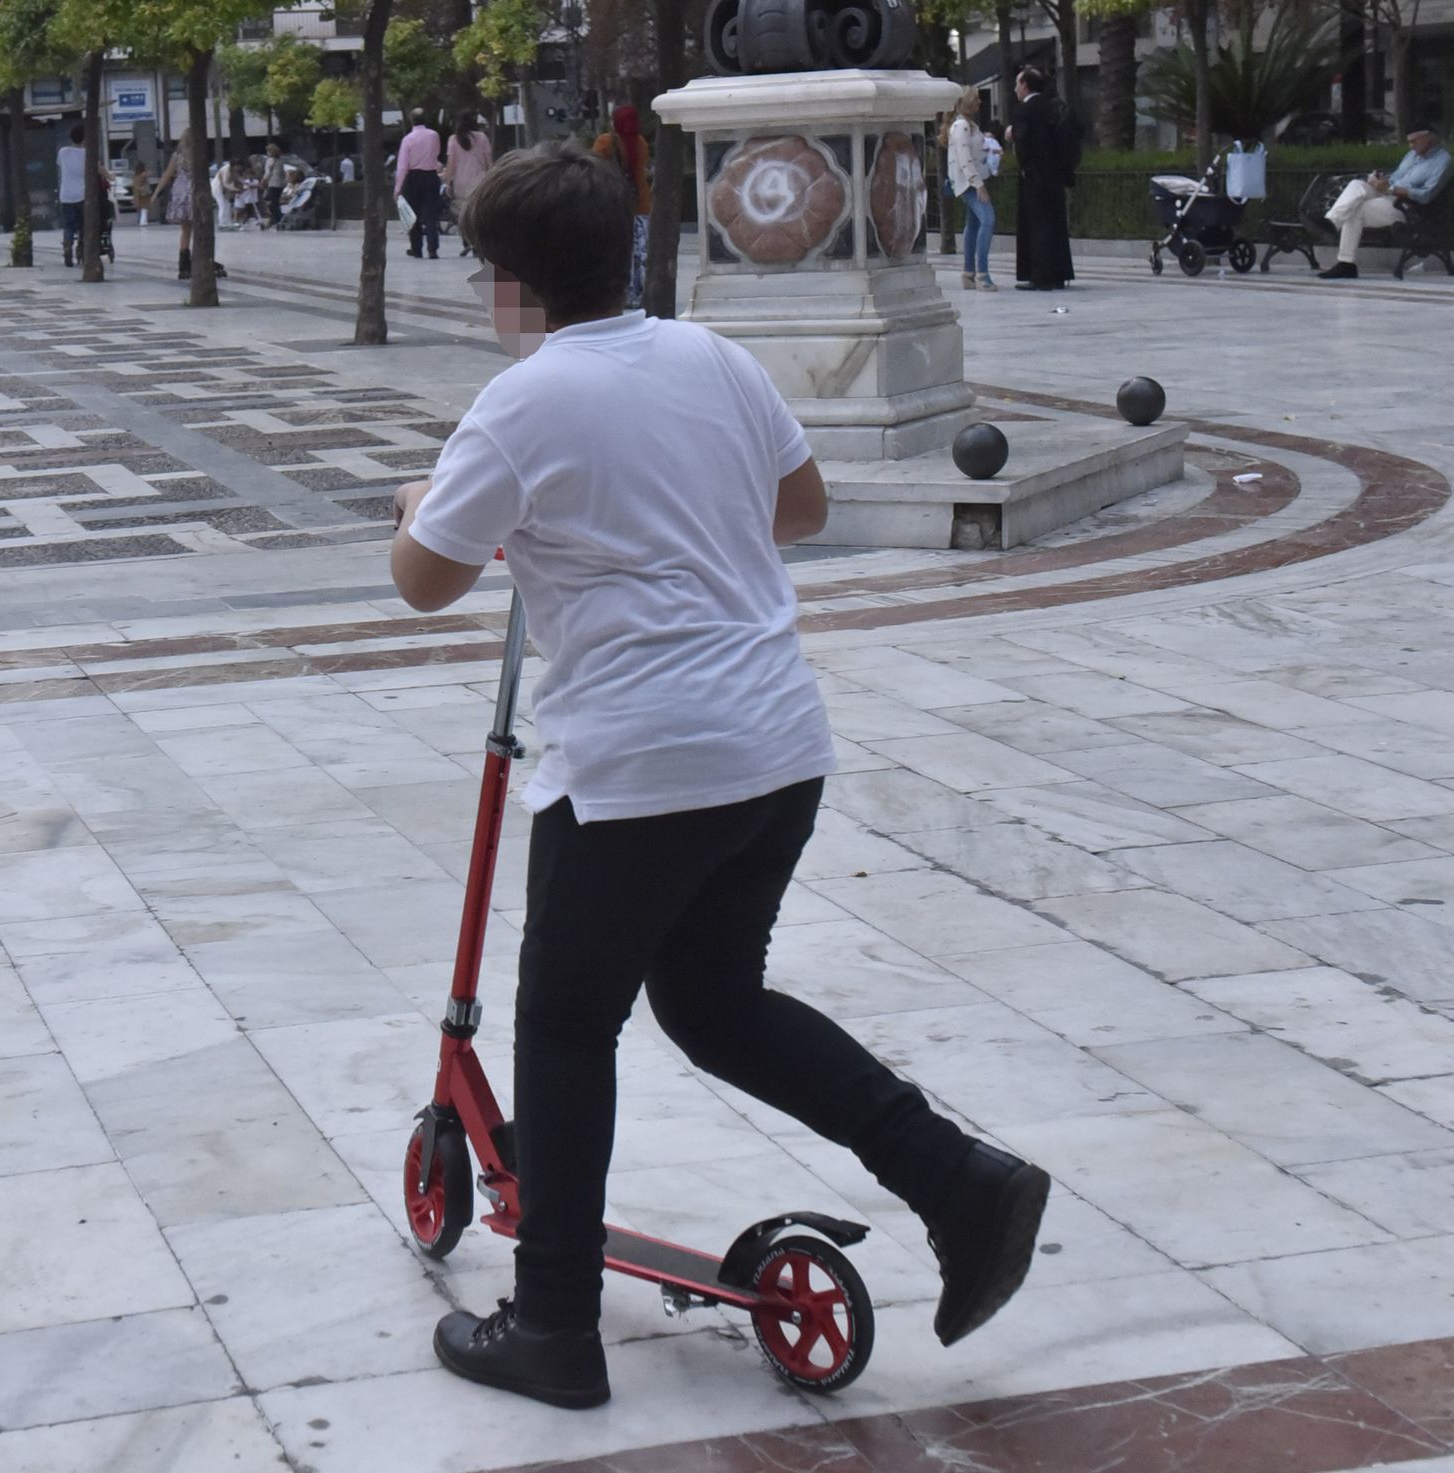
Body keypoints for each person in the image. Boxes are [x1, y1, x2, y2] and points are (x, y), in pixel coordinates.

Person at [390, 140, 1051, 1412]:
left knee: (570, 1028)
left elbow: (424, 580)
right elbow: (795, 512)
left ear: (509, 284)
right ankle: (957, 1179)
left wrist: (424, 501)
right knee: (710, 1002)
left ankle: (554, 1329)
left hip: (640, 768)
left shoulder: (521, 402)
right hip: (772, 748)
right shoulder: (712, 357)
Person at [1319, 126, 1452, 280]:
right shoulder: (1411, 155)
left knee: (1355, 208)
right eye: (1409, 142)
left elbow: (1426, 195)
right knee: (1357, 185)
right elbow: (1396, 177)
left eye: (1414, 142)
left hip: (1408, 207)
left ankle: (1345, 262)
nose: (1411, 146)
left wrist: (1391, 189)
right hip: (1388, 195)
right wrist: (1380, 180)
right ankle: (1332, 222)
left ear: (1428, 138)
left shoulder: (1443, 162)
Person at [1008, 67, 1074, 291]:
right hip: (1055, 177)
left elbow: (1024, 143)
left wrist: (1017, 145)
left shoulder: (1024, 111)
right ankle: (1059, 273)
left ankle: (1040, 275)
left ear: (1025, 85)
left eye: (1018, 84)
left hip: (1034, 177)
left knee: (1037, 226)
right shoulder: (1054, 107)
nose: (1015, 88)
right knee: (1056, 224)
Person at [593, 105, 651, 308]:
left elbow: (594, 167)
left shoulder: (605, 141)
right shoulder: (641, 143)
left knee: (618, 251)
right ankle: (638, 294)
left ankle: (622, 294)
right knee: (640, 253)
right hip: (641, 205)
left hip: (614, 203)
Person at [948, 90, 997, 291]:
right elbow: (964, 158)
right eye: (975, 99)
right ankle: (982, 274)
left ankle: (969, 273)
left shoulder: (970, 126)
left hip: (972, 180)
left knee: (974, 223)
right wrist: (978, 184)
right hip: (969, 183)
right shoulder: (962, 126)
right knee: (988, 219)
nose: (979, 102)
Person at [441, 112, 493, 258]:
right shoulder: (482, 138)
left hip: (461, 183)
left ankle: (467, 241)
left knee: (462, 214)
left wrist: (447, 182)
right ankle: (477, 242)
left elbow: (451, 165)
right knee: (477, 213)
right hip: (479, 181)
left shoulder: (453, 139)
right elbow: (489, 161)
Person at [396, 108, 445, 259]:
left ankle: (416, 248)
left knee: (413, 215)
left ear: (411, 121)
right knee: (431, 214)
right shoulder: (434, 136)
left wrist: (398, 187)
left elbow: (403, 165)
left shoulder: (408, 139)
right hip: (430, 176)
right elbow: (436, 153)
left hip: (413, 177)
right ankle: (433, 248)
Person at [149, 128, 197, 279]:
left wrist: (156, 193)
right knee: (198, 228)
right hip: (193, 190)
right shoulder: (197, 155)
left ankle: (183, 265)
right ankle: (198, 260)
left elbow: (167, 175)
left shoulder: (177, 157)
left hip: (179, 191)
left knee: (185, 230)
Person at [56, 123, 87, 268]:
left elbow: (61, 167)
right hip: (82, 195)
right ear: (84, 138)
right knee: (83, 225)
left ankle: (67, 246)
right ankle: (81, 250)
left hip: (66, 195)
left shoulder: (63, 152)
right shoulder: (87, 153)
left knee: (68, 226)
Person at [260, 142, 286, 229]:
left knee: (271, 203)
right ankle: (278, 218)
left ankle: (278, 218)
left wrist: (263, 180)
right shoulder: (280, 160)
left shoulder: (270, 160)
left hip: (273, 183)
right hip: (281, 184)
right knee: (276, 202)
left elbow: (268, 172)